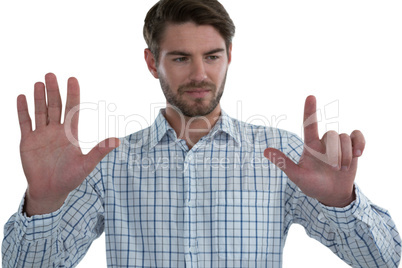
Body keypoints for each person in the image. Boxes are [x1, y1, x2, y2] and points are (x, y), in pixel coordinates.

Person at [2, 0, 401, 267]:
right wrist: (43, 202)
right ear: (151, 62)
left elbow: (385, 259)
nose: (199, 74)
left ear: (230, 56)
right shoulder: (109, 164)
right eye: (180, 58)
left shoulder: (283, 156)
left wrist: (342, 204)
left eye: (212, 56)